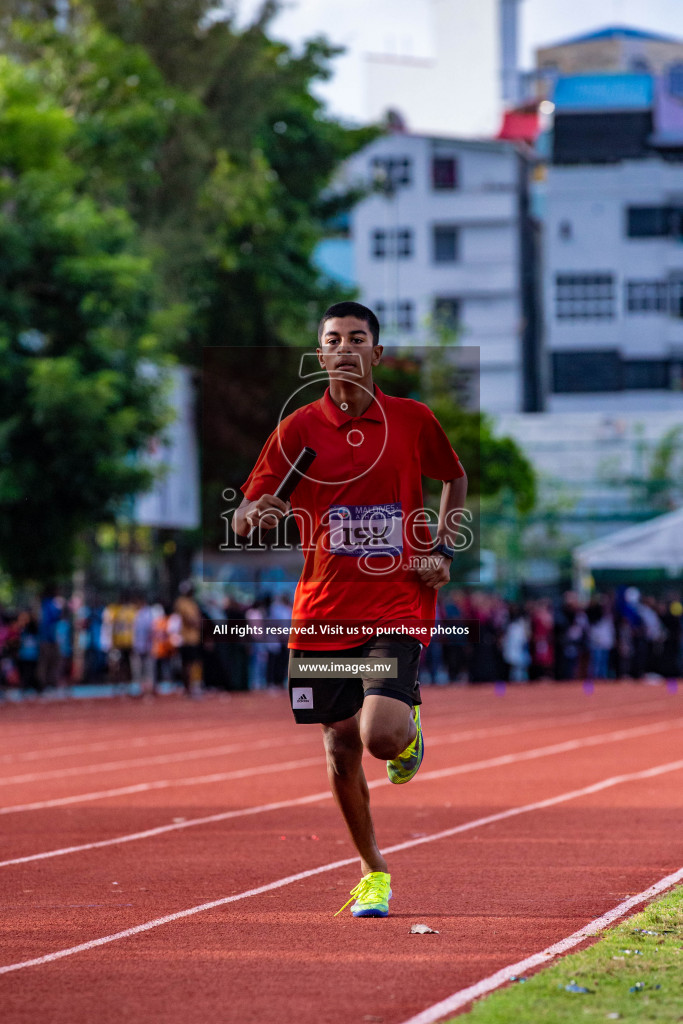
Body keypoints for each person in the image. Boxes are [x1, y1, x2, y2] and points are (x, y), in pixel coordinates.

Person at [233, 301, 467, 917]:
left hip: (396, 605)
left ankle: (408, 729)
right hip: (322, 612)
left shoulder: (413, 420)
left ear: (376, 353)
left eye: (356, 338)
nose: (343, 348)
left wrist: (441, 546)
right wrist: (256, 514)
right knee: (339, 746)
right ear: (320, 355)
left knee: (380, 737)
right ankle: (374, 871)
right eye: (332, 339)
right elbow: (247, 510)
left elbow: (455, 478)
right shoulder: (296, 431)